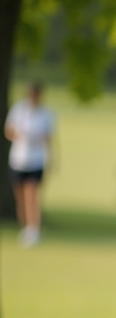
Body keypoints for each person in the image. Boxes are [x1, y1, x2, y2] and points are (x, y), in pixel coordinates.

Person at [5, 82, 55, 248]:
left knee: (31, 195)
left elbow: (49, 139)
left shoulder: (46, 114)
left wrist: (51, 160)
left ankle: (34, 229)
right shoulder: (19, 110)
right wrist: (21, 136)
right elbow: (9, 131)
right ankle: (26, 227)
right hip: (19, 159)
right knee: (20, 198)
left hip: (36, 160)